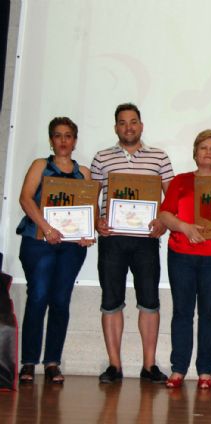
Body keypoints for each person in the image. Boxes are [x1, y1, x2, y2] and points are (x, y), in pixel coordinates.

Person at [91, 103, 174, 384]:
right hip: (112, 239)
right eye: (123, 122)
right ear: (116, 127)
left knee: (149, 302)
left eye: (134, 122)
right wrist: (95, 221)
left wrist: (163, 222)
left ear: (141, 125)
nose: (129, 127)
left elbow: (171, 198)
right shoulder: (101, 158)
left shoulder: (159, 157)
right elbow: (90, 197)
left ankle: (149, 366)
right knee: (111, 302)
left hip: (146, 241)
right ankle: (114, 366)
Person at [16, 117, 94, 384]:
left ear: (75, 140)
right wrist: (47, 228)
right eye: (58, 135)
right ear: (51, 140)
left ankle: (52, 362)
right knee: (38, 297)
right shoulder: (40, 165)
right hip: (38, 241)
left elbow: (89, 209)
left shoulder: (83, 172)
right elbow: (25, 198)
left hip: (71, 247)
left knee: (60, 300)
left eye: (69, 135)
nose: (63, 140)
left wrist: (87, 232)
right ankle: (28, 362)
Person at [158, 129, 211, 390]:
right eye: (203, 148)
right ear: (195, 153)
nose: (208, 152)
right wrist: (183, 226)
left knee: (209, 314)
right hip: (181, 255)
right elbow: (164, 215)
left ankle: (205, 371)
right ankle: (178, 368)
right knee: (182, 312)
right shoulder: (180, 181)